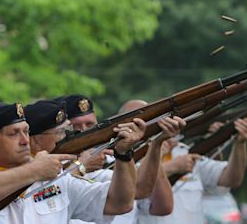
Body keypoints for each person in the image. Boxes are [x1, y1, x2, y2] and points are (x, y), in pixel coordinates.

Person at [0, 101, 143, 223]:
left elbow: (119, 203)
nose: (24, 140)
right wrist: (34, 171)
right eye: (13, 134)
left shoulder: (54, 177)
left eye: (26, 132)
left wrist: (124, 156)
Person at [57, 95, 185, 224]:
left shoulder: (109, 158)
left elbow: (141, 190)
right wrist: (82, 166)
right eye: (75, 126)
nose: (84, 130)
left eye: (89, 124)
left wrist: (156, 143)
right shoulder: (58, 165)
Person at [137, 114, 247, 224]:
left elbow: (231, 179)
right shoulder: (135, 159)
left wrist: (240, 144)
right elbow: (134, 187)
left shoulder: (185, 153)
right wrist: (171, 167)